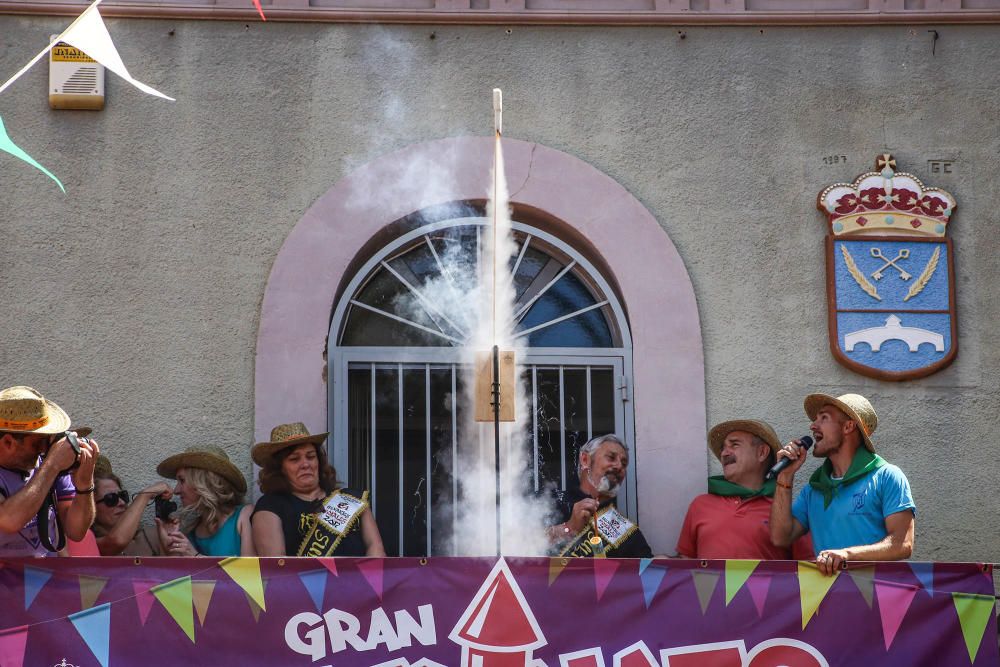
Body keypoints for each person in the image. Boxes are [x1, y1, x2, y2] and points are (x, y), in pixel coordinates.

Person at [770, 393, 915, 576]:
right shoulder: (813, 490)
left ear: (848, 426)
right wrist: (784, 477)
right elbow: (781, 538)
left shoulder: (887, 476)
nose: (813, 425)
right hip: (827, 599)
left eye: (824, 417)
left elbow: (903, 545)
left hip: (876, 599)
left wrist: (846, 555)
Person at [676, 420, 811, 560]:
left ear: (762, 453)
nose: (724, 453)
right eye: (723, 448)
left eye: (734, 444)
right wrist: (662, 562)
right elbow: (684, 567)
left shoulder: (785, 513)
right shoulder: (700, 505)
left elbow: (807, 569)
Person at [251, 423, 385, 557]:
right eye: (294, 459)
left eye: (310, 456)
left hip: (358, 578)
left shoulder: (351, 500)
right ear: (280, 468)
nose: (305, 464)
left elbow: (376, 550)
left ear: (319, 461)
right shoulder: (271, 506)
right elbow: (277, 566)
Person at [0, 386, 99, 557]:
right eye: (38, 442)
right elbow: (9, 520)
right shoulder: (50, 467)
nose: (45, 450)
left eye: (49, 440)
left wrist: (85, 484)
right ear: (8, 442)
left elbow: (76, 531)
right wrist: (52, 465)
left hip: (42, 580)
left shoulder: (47, 467)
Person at [547, 434, 652, 558]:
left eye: (624, 464)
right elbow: (523, 543)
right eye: (611, 458)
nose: (619, 466)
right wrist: (569, 528)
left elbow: (648, 573)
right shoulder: (551, 501)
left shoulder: (628, 533)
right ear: (585, 460)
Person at [155, 445, 256, 557]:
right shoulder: (192, 531)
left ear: (204, 483)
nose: (176, 490)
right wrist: (168, 546)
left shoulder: (244, 516)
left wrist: (196, 556)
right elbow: (174, 573)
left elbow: (251, 572)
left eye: (182, 480)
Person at [90, 455, 172, 556]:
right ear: (92, 508)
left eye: (123, 496)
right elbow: (115, 541)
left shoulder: (151, 536)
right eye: (111, 498)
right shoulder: (87, 542)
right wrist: (145, 495)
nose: (122, 503)